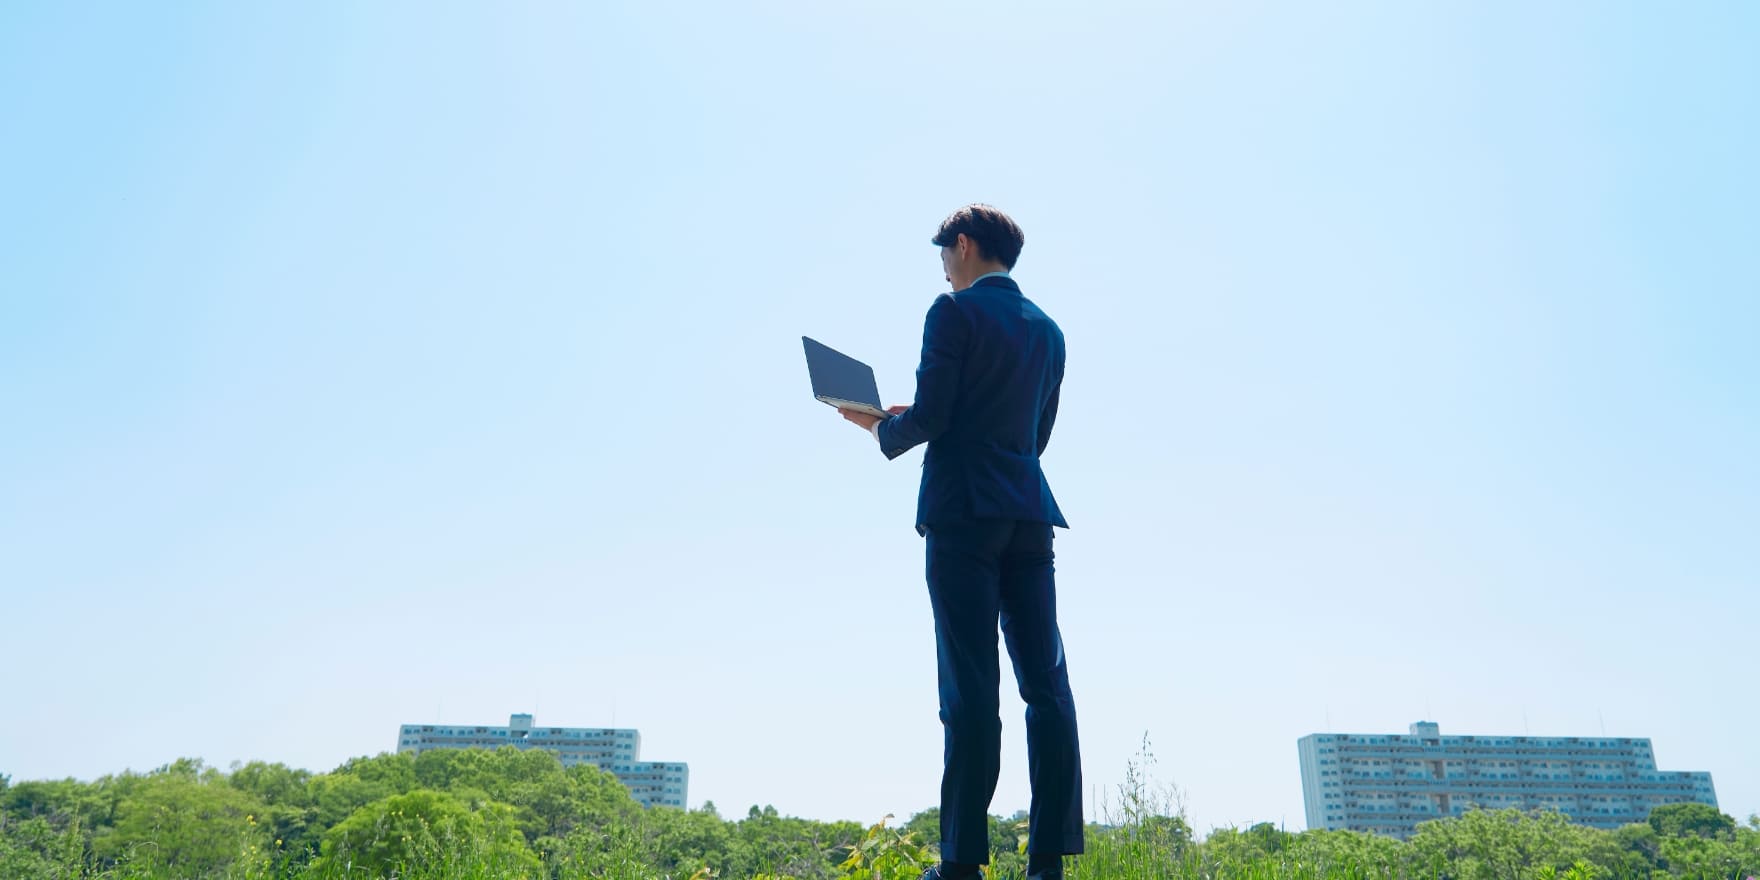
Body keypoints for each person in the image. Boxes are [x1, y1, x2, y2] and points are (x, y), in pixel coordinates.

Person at [837, 204, 1082, 880]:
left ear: (964, 246)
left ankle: (962, 863)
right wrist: (921, 419)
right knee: (1047, 689)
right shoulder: (1050, 331)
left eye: (945, 255)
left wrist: (877, 426)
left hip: (964, 516)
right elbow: (1034, 437)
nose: (944, 270)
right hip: (1028, 515)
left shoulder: (952, 313)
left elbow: (937, 414)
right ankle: (1047, 866)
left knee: (970, 690)